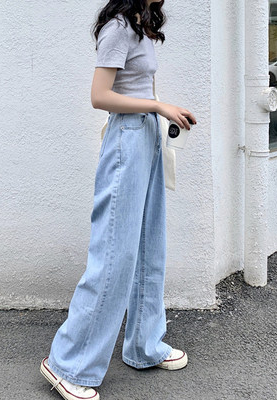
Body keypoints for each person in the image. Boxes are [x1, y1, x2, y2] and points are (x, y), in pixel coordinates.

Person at [40, 1, 197, 399]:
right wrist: (159, 105)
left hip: (146, 136)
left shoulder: (142, 25)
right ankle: (67, 364)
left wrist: (163, 111)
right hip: (126, 139)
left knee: (148, 245)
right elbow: (100, 96)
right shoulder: (118, 27)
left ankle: (144, 345)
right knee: (114, 252)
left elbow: (136, 87)